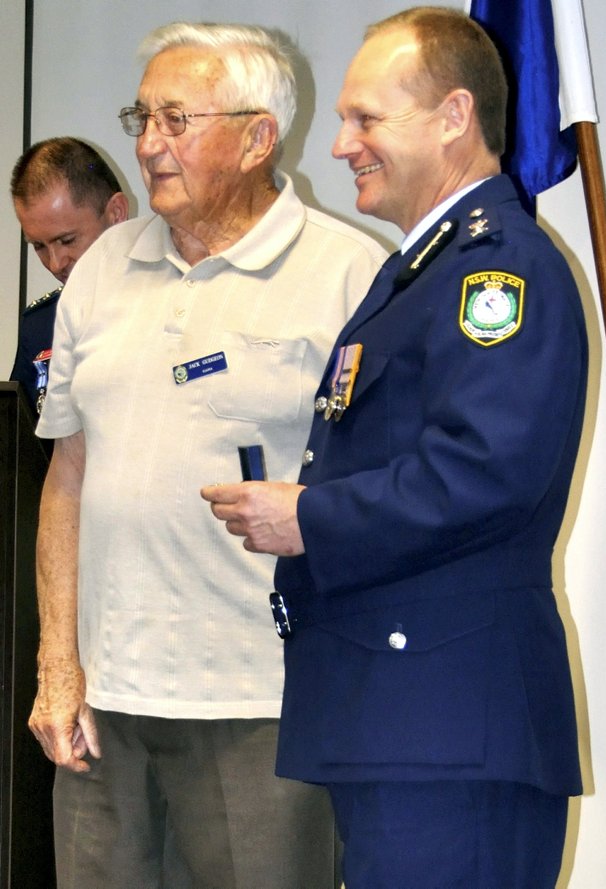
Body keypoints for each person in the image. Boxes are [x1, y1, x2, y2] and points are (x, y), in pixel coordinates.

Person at [204, 8, 588, 889]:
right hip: (403, 720)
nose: (340, 144)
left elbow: (484, 470)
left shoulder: (499, 270)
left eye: (365, 118)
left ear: (454, 116)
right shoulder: (421, 272)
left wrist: (309, 517)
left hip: (448, 724)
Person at [30, 21, 387, 889]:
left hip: (264, 704)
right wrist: (57, 664)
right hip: (103, 710)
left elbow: (386, 491)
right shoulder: (102, 270)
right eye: (142, 116)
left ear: (259, 135)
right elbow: (66, 475)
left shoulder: (351, 275)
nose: (149, 143)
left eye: (177, 120)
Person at [9, 137, 129, 415]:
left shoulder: (169, 302)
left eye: (67, 240)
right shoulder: (40, 324)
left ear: (116, 214)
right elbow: (19, 446)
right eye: (39, 246)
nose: (55, 263)